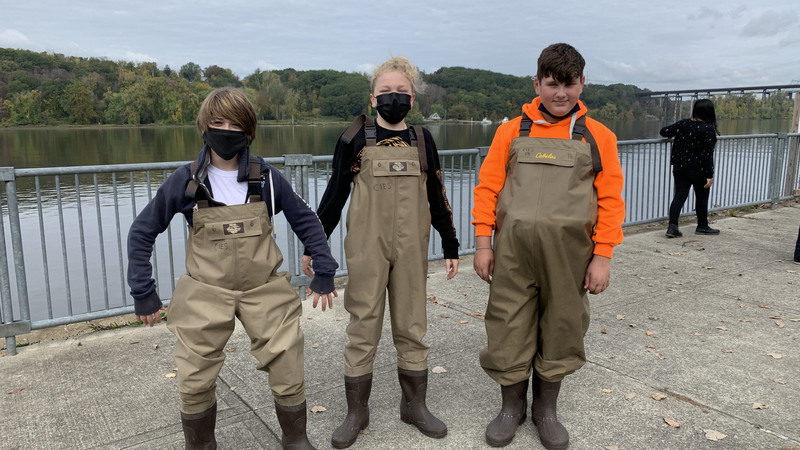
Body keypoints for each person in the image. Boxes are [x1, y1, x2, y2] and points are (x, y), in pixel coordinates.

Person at [127, 87, 338, 450]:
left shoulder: (267, 178)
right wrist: (143, 291)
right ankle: (201, 445)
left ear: (249, 131)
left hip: (263, 288)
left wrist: (324, 267)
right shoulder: (187, 181)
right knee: (194, 376)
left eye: (235, 123)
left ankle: (296, 439)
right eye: (217, 122)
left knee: (288, 362)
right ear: (204, 127)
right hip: (205, 290)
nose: (226, 130)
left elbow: (307, 220)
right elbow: (142, 232)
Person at [472, 43, 625, 449]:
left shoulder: (599, 137)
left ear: (582, 84)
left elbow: (611, 201)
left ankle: (545, 410)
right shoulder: (511, 131)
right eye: (553, 84)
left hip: (570, 258)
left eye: (569, 85)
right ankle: (511, 408)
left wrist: (603, 256)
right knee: (507, 325)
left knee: (562, 327)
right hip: (512, 254)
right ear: (537, 83)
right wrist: (483, 242)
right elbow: (488, 188)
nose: (561, 94)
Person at [301, 56, 459, 448]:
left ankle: (414, 406)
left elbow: (437, 195)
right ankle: (357, 411)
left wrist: (450, 242)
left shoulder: (422, 140)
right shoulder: (355, 137)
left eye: (401, 92)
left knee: (412, 326)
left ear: (412, 98)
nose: (394, 97)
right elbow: (334, 195)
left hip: (411, 250)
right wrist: (315, 246)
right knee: (363, 327)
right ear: (373, 98)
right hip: (367, 250)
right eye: (386, 92)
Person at [661, 98, 721, 237]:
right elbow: (707, 155)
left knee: (679, 197)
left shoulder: (683, 124)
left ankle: (672, 227)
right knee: (701, 197)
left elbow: (664, 131)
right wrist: (709, 175)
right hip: (698, 169)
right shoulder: (708, 129)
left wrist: (672, 135)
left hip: (680, 167)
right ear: (709, 112)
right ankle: (702, 226)